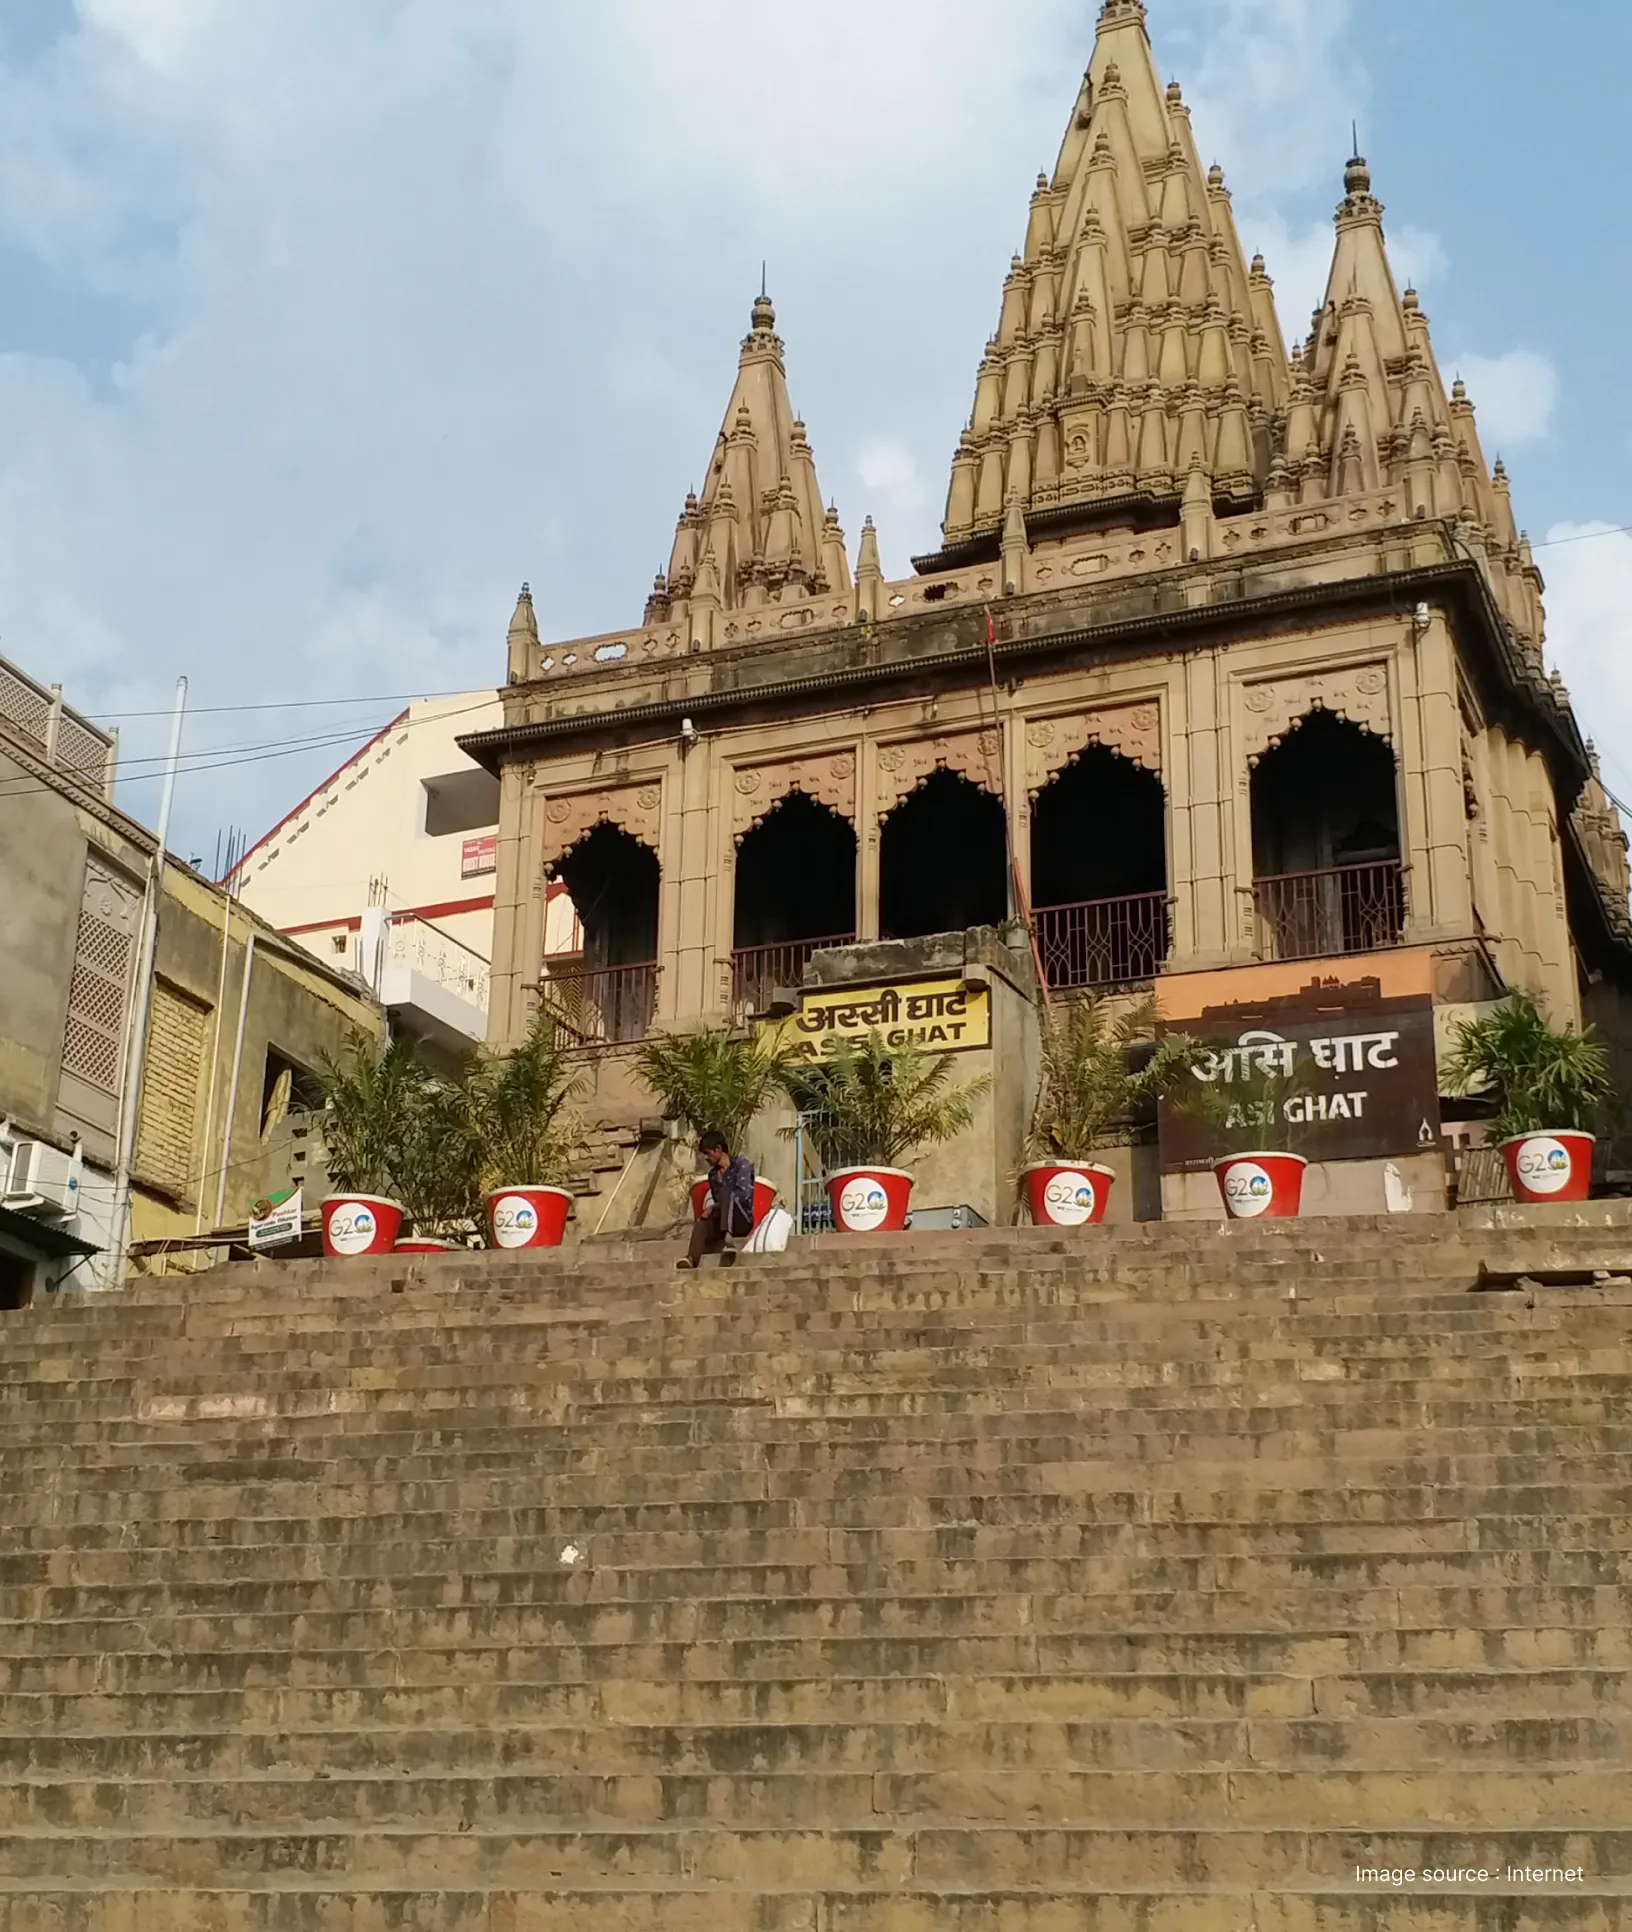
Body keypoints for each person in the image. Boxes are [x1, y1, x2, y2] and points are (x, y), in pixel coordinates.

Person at [679, 1131, 755, 1269]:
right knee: (703, 1223)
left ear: (718, 1150)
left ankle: (729, 1240)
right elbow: (719, 1204)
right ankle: (691, 1259)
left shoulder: (741, 1165)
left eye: (708, 1153)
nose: (706, 1158)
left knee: (726, 1192)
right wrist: (710, 1213)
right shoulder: (713, 1175)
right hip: (723, 1220)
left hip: (741, 1219)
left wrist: (714, 1207)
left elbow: (743, 1195)